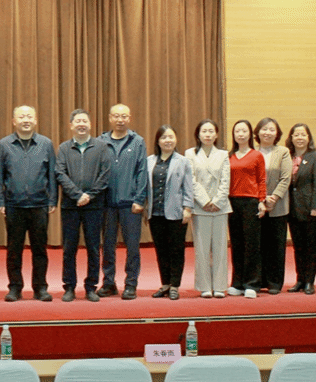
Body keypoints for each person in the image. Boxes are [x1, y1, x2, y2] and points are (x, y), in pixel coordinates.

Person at [0, 105, 57, 302]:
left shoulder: (46, 144)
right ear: (14, 121)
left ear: (35, 120)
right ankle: (15, 287)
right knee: (14, 250)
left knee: (40, 249)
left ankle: (40, 288)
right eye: (21, 117)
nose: (26, 120)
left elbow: (52, 174)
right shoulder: (5, 144)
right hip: (14, 205)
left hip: (39, 204)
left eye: (29, 116)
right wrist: (0, 200)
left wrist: (52, 199)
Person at [55, 109, 111, 302]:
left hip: (94, 206)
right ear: (71, 125)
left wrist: (89, 195)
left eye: (84, 121)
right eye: (77, 121)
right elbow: (60, 173)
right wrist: (77, 195)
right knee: (69, 248)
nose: (81, 124)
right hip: (70, 206)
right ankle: (69, 286)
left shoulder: (101, 147)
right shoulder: (64, 148)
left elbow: (105, 174)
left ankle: (91, 287)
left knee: (93, 248)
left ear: (90, 124)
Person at [97, 104, 148, 300]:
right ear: (110, 118)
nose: (120, 120)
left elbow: (142, 172)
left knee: (132, 247)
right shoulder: (100, 142)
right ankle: (108, 282)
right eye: (116, 116)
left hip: (130, 204)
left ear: (129, 118)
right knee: (107, 246)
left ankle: (131, 284)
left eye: (124, 116)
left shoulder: (138, 142)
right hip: (107, 204)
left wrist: (140, 199)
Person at [145, 125, 193, 300]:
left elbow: (188, 187)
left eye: (171, 137)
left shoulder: (183, 161)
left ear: (176, 139)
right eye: (164, 137)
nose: (168, 140)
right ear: (158, 141)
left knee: (176, 250)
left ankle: (175, 285)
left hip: (176, 213)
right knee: (161, 250)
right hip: (155, 213)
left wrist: (188, 208)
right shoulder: (149, 161)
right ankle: (165, 283)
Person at [186, 119, 230, 299]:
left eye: (211, 131)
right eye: (204, 131)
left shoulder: (223, 154)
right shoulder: (190, 154)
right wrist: (204, 200)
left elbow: (226, 180)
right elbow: (191, 179)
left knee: (220, 247)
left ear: (216, 134)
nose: (208, 134)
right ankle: (204, 286)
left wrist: (217, 201)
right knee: (202, 248)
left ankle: (219, 286)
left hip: (220, 206)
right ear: (198, 134)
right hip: (200, 206)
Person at [227, 119, 266, 299]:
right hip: (232, 202)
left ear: (250, 134)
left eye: (244, 131)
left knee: (252, 244)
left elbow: (262, 179)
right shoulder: (229, 156)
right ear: (233, 135)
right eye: (237, 131)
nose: (241, 134)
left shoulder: (257, 155)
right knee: (236, 244)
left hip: (251, 202)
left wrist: (261, 200)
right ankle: (237, 282)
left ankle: (252, 283)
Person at [254, 118, 292, 294]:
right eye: (264, 129)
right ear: (257, 132)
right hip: (256, 205)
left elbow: (286, 178)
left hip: (278, 206)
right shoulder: (252, 152)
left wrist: (274, 197)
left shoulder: (283, 152)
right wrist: (261, 199)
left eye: (271, 129)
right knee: (258, 244)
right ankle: (259, 280)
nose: (267, 133)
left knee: (276, 246)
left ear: (277, 133)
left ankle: (275, 282)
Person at [285, 123, 316, 295]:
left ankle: (309, 281)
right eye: (296, 135)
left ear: (308, 138)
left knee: (310, 246)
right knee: (298, 247)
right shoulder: (287, 156)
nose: (299, 138)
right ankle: (299, 279)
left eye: (303, 135)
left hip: (309, 209)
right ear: (291, 138)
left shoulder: (315, 157)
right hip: (291, 209)